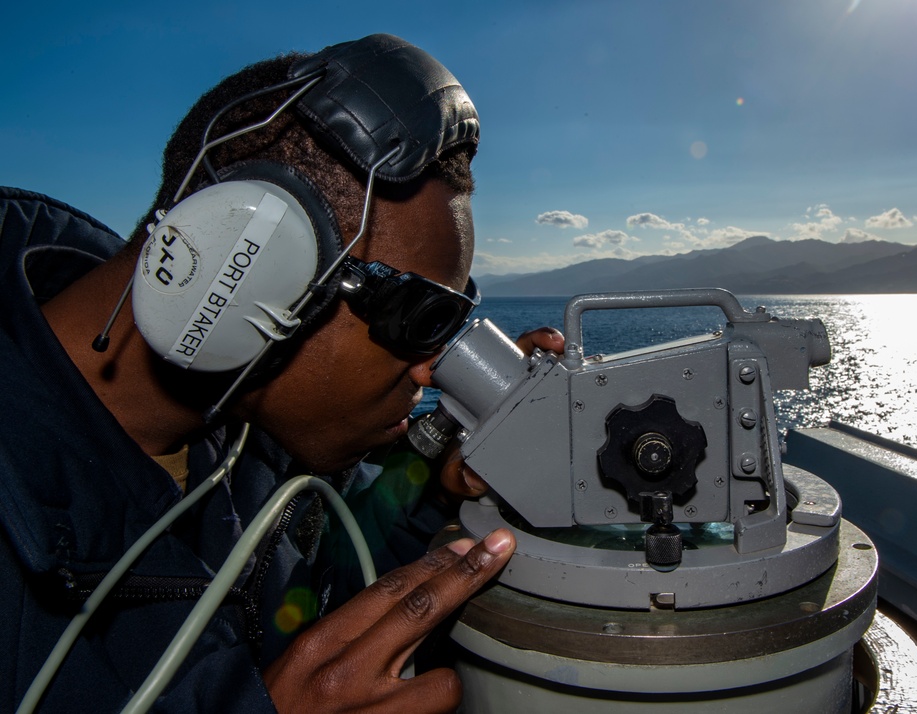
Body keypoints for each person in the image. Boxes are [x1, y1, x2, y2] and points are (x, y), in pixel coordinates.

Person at [0, 34, 564, 712]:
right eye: (418, 315)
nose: (431, 370)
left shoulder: (244, 438)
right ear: (253, 268)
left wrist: (437, 490)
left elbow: (327, 573)